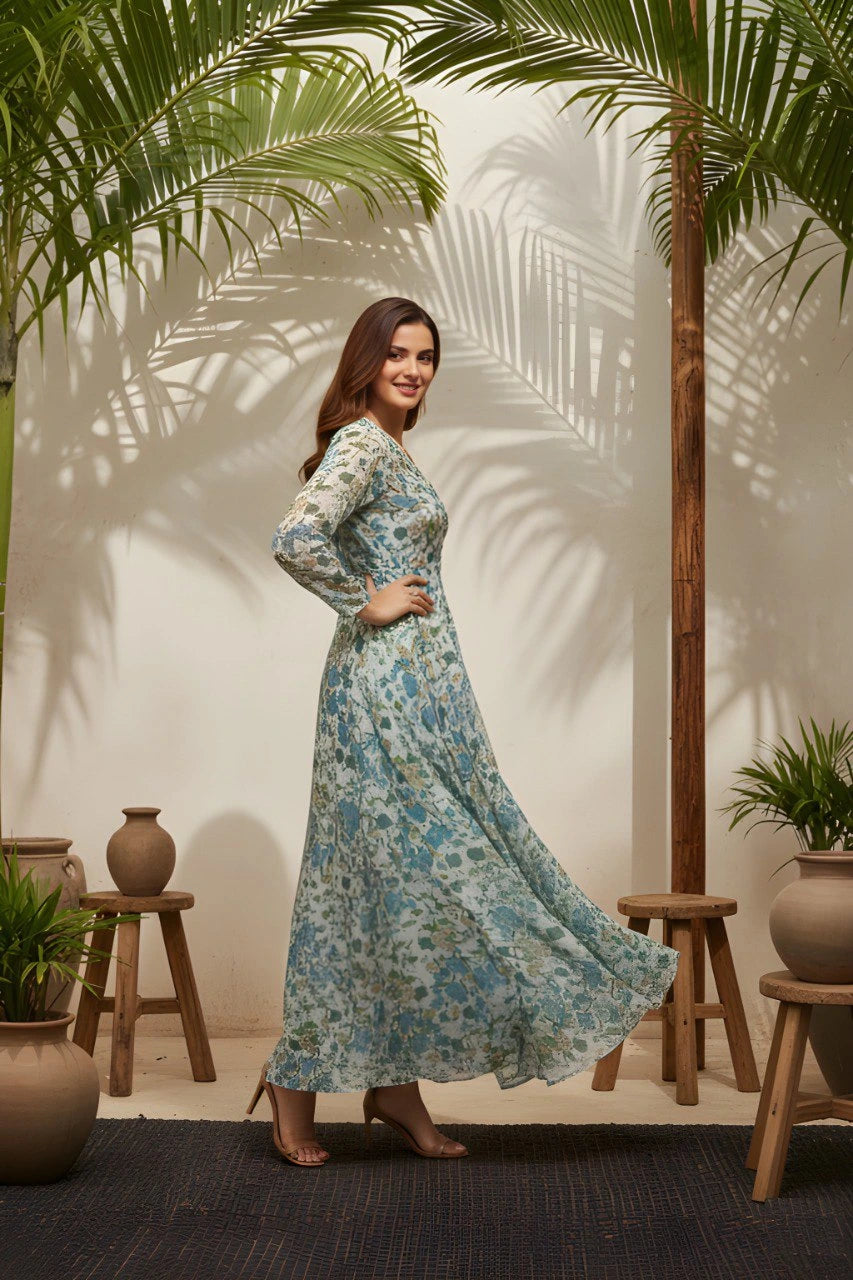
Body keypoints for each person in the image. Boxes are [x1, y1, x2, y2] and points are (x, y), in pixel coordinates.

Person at [246, 296, 680, 1166]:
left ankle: (393, 1087)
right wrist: (363, 601)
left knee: (399, 897)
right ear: (364, 361)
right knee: (369, 888)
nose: (411, 370)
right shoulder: (362, 444)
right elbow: (296, 534)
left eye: (425, 358)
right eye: (396, 355)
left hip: (424, 690)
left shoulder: (392, 446)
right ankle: (295, 1087)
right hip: (379, 698)